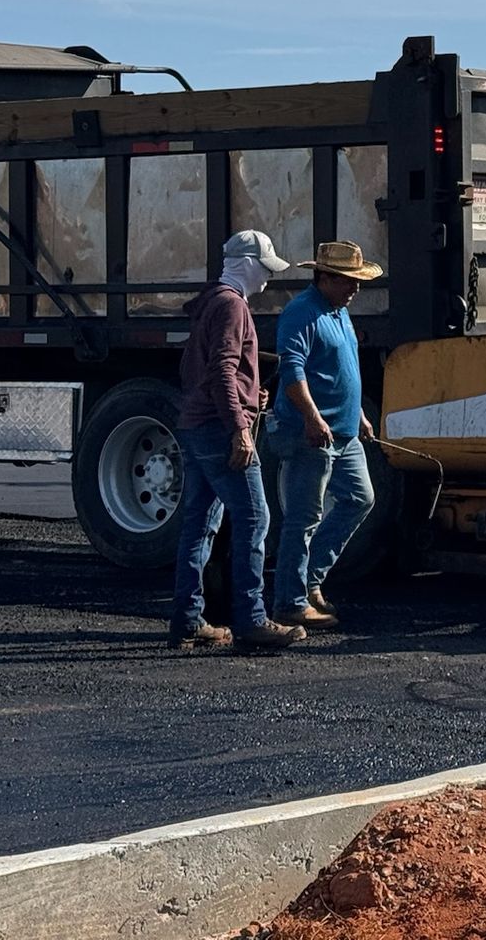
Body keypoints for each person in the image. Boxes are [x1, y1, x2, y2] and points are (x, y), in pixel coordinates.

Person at [170, 231, 306, 653]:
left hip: (197, 425)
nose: (268, 277)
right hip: (217, 429)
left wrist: (251, 396)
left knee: (199, 524)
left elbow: (196, 369)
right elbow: (222, 372)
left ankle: (188, 622)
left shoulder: (212, 302)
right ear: (247, 264)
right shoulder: (233, 306)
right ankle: (251, 620)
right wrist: (240, 427)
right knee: (254, 518)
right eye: (265, 268)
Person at [269, 240, 383, 631]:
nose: (356, 289)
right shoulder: (302, 312)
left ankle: (308, 581)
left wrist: (359, 417)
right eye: (348, 281)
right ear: (325, 278)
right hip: (312, 434)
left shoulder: (338, 310)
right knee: (303, 517)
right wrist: (313, 418)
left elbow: (342, 367)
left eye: (357, 281)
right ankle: (290, 602)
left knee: (360, 498)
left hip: (344, 432)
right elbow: (292, 372)